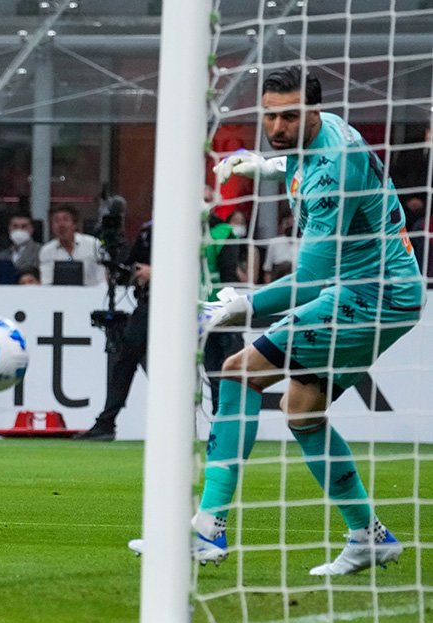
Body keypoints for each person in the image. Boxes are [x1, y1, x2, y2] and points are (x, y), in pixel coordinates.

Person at [132, 66, 424, 576]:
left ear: (312, 110)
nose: (279, 127)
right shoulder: (326, 129)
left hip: (373, 295)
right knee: (301, 412)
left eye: (290, 116)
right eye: (271, 116)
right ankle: (368, 536)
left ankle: (208, 528)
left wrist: (239, 306)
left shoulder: (332, 172)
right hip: (382, 292)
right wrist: (264, 165)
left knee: (242, 371)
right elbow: (296, 159)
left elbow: (308, 283)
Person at [75, 221, 152, 441]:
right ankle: (106, 421)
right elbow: (130, 265)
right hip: (147, 304)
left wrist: (157, 272)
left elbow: (201, 266)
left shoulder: (194, 229)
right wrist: (120, 268)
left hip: (181, 306)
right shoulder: (148, 231)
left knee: (134, 362)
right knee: (125, 360)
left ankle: (107, 421)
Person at [203, 197, 244, 415]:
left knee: (216, 366)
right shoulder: (223, 232)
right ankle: (222, 416)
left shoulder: (222, 232)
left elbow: (228, 275)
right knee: (216, 367)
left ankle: (222, 416)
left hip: (213, 309)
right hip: (213, 308)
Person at [37, 205, 107, 286]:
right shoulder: (46, 250)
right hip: (58, 295)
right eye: (56, 221)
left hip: (91, 294)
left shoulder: (94, 244)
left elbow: (102, 279)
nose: (61, 225)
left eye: (65, 220)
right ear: (52, 226)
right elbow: (46, 282)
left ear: (74, 224)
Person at [261, 211, 296, 283]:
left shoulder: (303, 242)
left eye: (293, 224)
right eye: (287, 224)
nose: (290, 226)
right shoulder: (274, 242)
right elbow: (268, 269)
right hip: (278, 275)